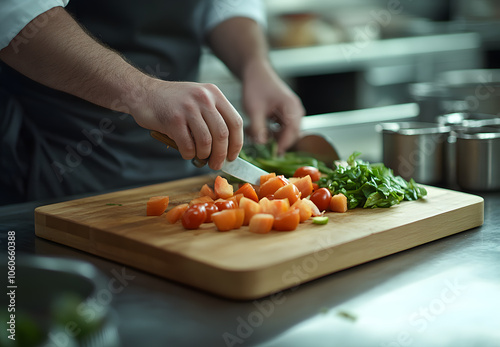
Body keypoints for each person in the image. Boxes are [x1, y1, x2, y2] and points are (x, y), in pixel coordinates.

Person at [0, 0, 305, 204]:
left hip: (181, 154)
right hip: (53, 157)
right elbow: (16, 10)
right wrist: (141, 91)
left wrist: (256, 66)